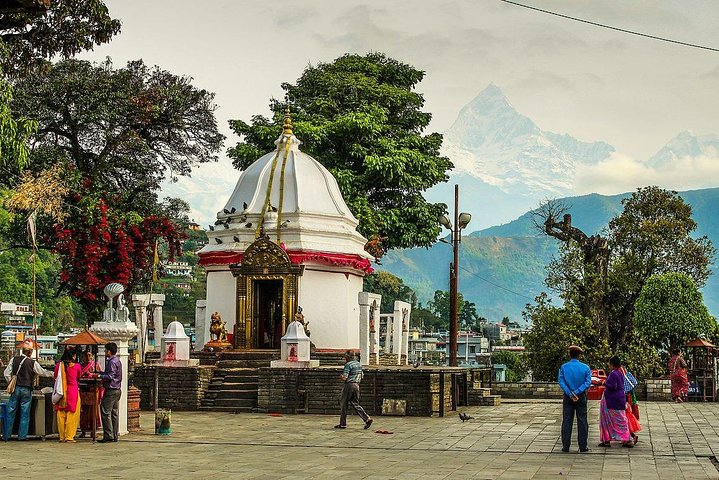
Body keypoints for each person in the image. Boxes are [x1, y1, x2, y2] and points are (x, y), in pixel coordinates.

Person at [2, 342, 53, 441]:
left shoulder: (14, 359)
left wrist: (11, 382)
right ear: (30, 352)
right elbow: (42, 372)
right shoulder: (32, 363)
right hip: (27, 389)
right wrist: (53, 373)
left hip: (15, 389)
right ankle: (22, 436)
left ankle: (6, 435)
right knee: (24, 413)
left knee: (10, 412)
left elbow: (6, 373)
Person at [558, 345, 591, 453]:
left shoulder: (564, 367)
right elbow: (587, 382)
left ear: (569, 355)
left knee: (567, 420)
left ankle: (566, 446)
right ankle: (583, 446)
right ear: (579, 355)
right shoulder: (585, 368)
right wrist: (577, 392)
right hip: (581, 396)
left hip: (568, 396)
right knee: (582, 421)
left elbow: (561, 381)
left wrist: (570, 393)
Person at [598, 356, 634, 448]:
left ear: (612, 364)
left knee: (609, 420)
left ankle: (611, 439)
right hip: (619, 399)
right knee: (621, 419)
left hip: (611, 400)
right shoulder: (619, 373)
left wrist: (603, 383)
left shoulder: (613, 374)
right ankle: (625, 439)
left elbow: (613, 386)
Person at [335, 350, 373, 430]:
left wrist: (341, 376)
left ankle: (343, 423)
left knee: (343, 404)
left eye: (345, 356)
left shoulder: (348, 365)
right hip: (357, 385)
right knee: (355, 403)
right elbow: (362, 375)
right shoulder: (358, 364)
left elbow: (344, 377)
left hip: (349, 385)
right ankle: (367, 418)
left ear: (348, 357)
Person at [54, 347, 83, 443]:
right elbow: (79, 376)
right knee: (72, 413)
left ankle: (62, 436)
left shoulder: (59, 365)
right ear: (73, 356)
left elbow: (55, 377)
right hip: (73, 391)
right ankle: (69, 436)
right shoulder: (77, 366)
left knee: (61, 413)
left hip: (61, 391)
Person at [98, 342, 122, 443]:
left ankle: (108, 435)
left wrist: (100, 376)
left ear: (109, 351)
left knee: (105, 411)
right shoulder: (117, 361)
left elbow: (110, 376)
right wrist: (100, 373)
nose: (104, 352)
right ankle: (114, 434)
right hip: (117, 389)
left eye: (105, 350)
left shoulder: (111, 362)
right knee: (114, 413)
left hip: (111, 389)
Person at [79, 350, 103, 438]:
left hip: (93, 390)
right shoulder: (80, 366)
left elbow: (100, 376)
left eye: (90, 356)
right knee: (83, 411)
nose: (88, 358)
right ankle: (83, 430)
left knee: (94, 411)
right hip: (83, 390)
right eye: (86, 356)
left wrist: (92, 375)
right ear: (82, 357)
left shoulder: (95, 365)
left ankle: (94, 431)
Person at [619, 364, 641, 445]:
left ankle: (631, 437)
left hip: (625, 399)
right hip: (630, 399)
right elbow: (635, 383)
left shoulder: (620, 376)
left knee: (624, 420)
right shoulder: (628, 374)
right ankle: (628, 437)